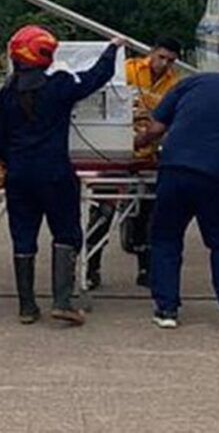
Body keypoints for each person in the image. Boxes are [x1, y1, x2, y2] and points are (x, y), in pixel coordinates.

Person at [0, 26, 122, 326]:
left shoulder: (7, 92)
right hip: (55, 173)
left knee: (23, 237)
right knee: (66, 233)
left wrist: (13, 159)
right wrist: (112, 49)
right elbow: (95, 78)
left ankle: (26, 306)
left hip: (19, 175)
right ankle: (61, 301)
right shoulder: (58, 85)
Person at [139, 63, 219, 332]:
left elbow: (156, 128)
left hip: (175, 171)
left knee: (165, 239)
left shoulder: (190, 83)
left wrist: (134, 146)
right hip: (217, 177)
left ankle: (167, 310)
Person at [85, 37, 183, 290]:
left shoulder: (175, 84)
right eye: (161, 57)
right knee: (102, 210)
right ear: (152, 52)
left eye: (170, 60)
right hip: (114, 153)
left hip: (148, 155)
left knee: (146, 213)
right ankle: (91, 267)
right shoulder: (127, 70)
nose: (164, 64)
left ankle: (145, 268)